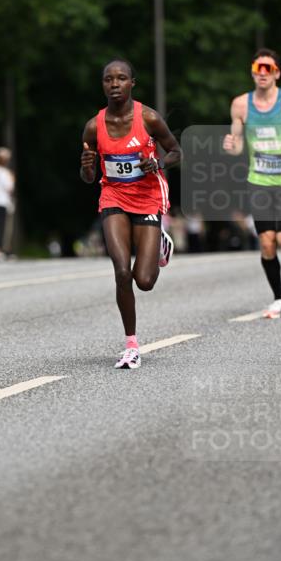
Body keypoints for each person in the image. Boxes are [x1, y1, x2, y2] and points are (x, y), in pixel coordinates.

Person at [80, 59, 181, 369]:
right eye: (109, 79)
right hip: (113, 197)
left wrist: (159, 164)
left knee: (145, 280)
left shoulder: (148, 118)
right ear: (103, 85)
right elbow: (88, 178)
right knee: (122, 272)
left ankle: (160, 244)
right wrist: (87, 167)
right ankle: (131, 345)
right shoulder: (94, 126)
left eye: (121, 78)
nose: (114, 84)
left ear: (132, 83)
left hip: (149, 196)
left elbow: (176, 151)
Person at [223, 48, 281, 318]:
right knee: (266, 242)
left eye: (268, 68)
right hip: (259, 181)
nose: (262, 73)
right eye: (257, 68)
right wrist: (231, 144)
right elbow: (237, 143)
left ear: (277, 72)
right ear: (252, 71)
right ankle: (278, 299)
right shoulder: (240, 105)